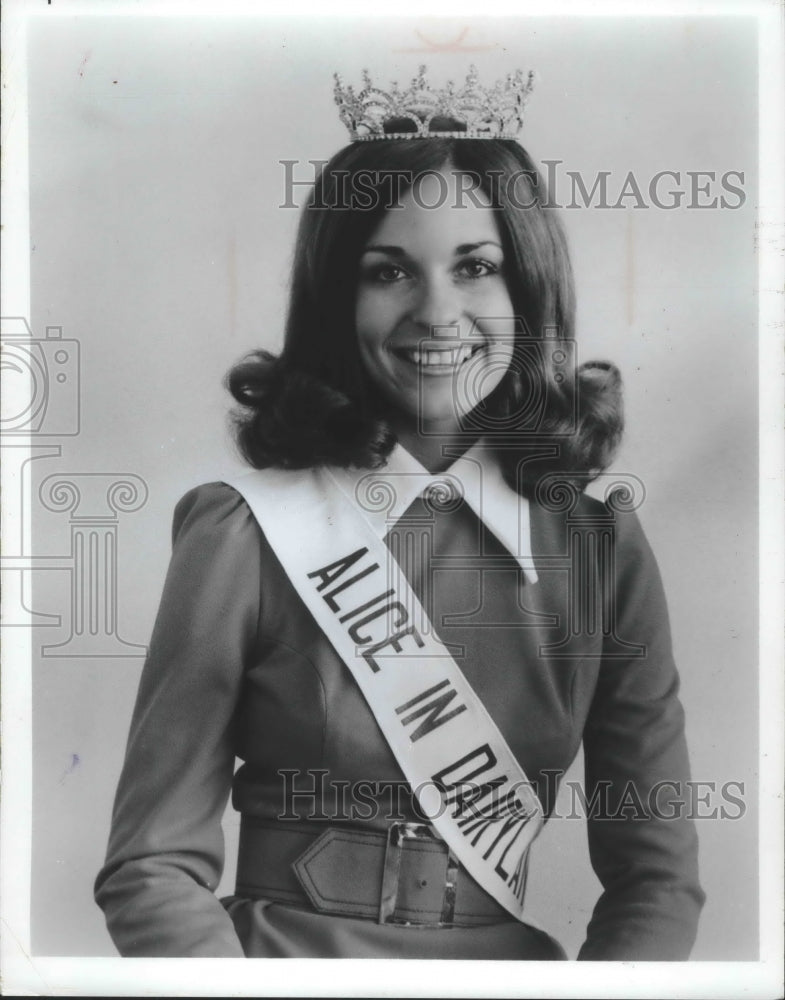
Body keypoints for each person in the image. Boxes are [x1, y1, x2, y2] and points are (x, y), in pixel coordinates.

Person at [94, 66, 705, 960]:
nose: (437, 312)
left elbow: (656, 880)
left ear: (527, 289)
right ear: (336, 297)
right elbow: (150, 867)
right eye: (388, 271)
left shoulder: (598, 547)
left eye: (477, 266)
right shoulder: (242, 533)